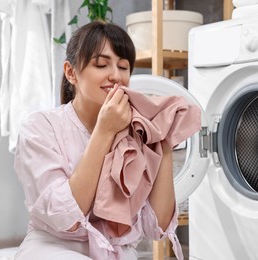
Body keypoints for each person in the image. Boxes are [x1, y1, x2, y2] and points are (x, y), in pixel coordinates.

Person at [14, 21, 185, 260]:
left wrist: (163, 139)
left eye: (124, 66)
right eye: (101, 64)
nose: (116, 76)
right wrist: (104, 131)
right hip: (54, 248)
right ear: (71, 72)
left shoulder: (136, 131)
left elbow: (156, 226)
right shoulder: (41, 127)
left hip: (116, 252)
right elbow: (66, 218)